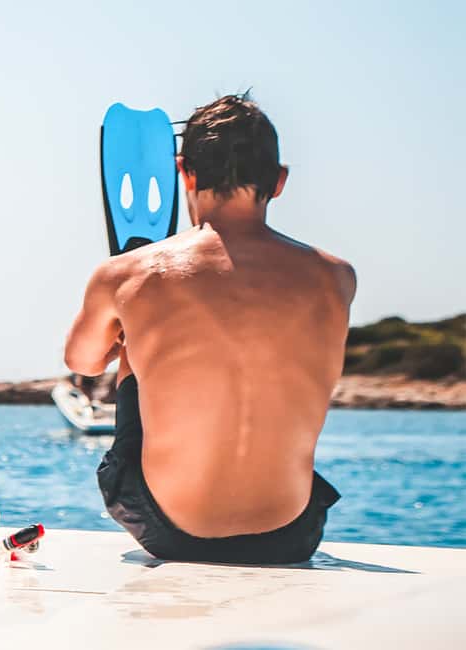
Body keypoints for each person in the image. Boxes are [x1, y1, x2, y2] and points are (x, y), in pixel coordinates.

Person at [64, 95, 354, 564]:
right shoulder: (336, 277)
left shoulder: (128, 273)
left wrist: (132, 331)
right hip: (293, 532)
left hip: (171, 530)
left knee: (137, 349)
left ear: (185, 172)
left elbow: (81, 362)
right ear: (279, 182)